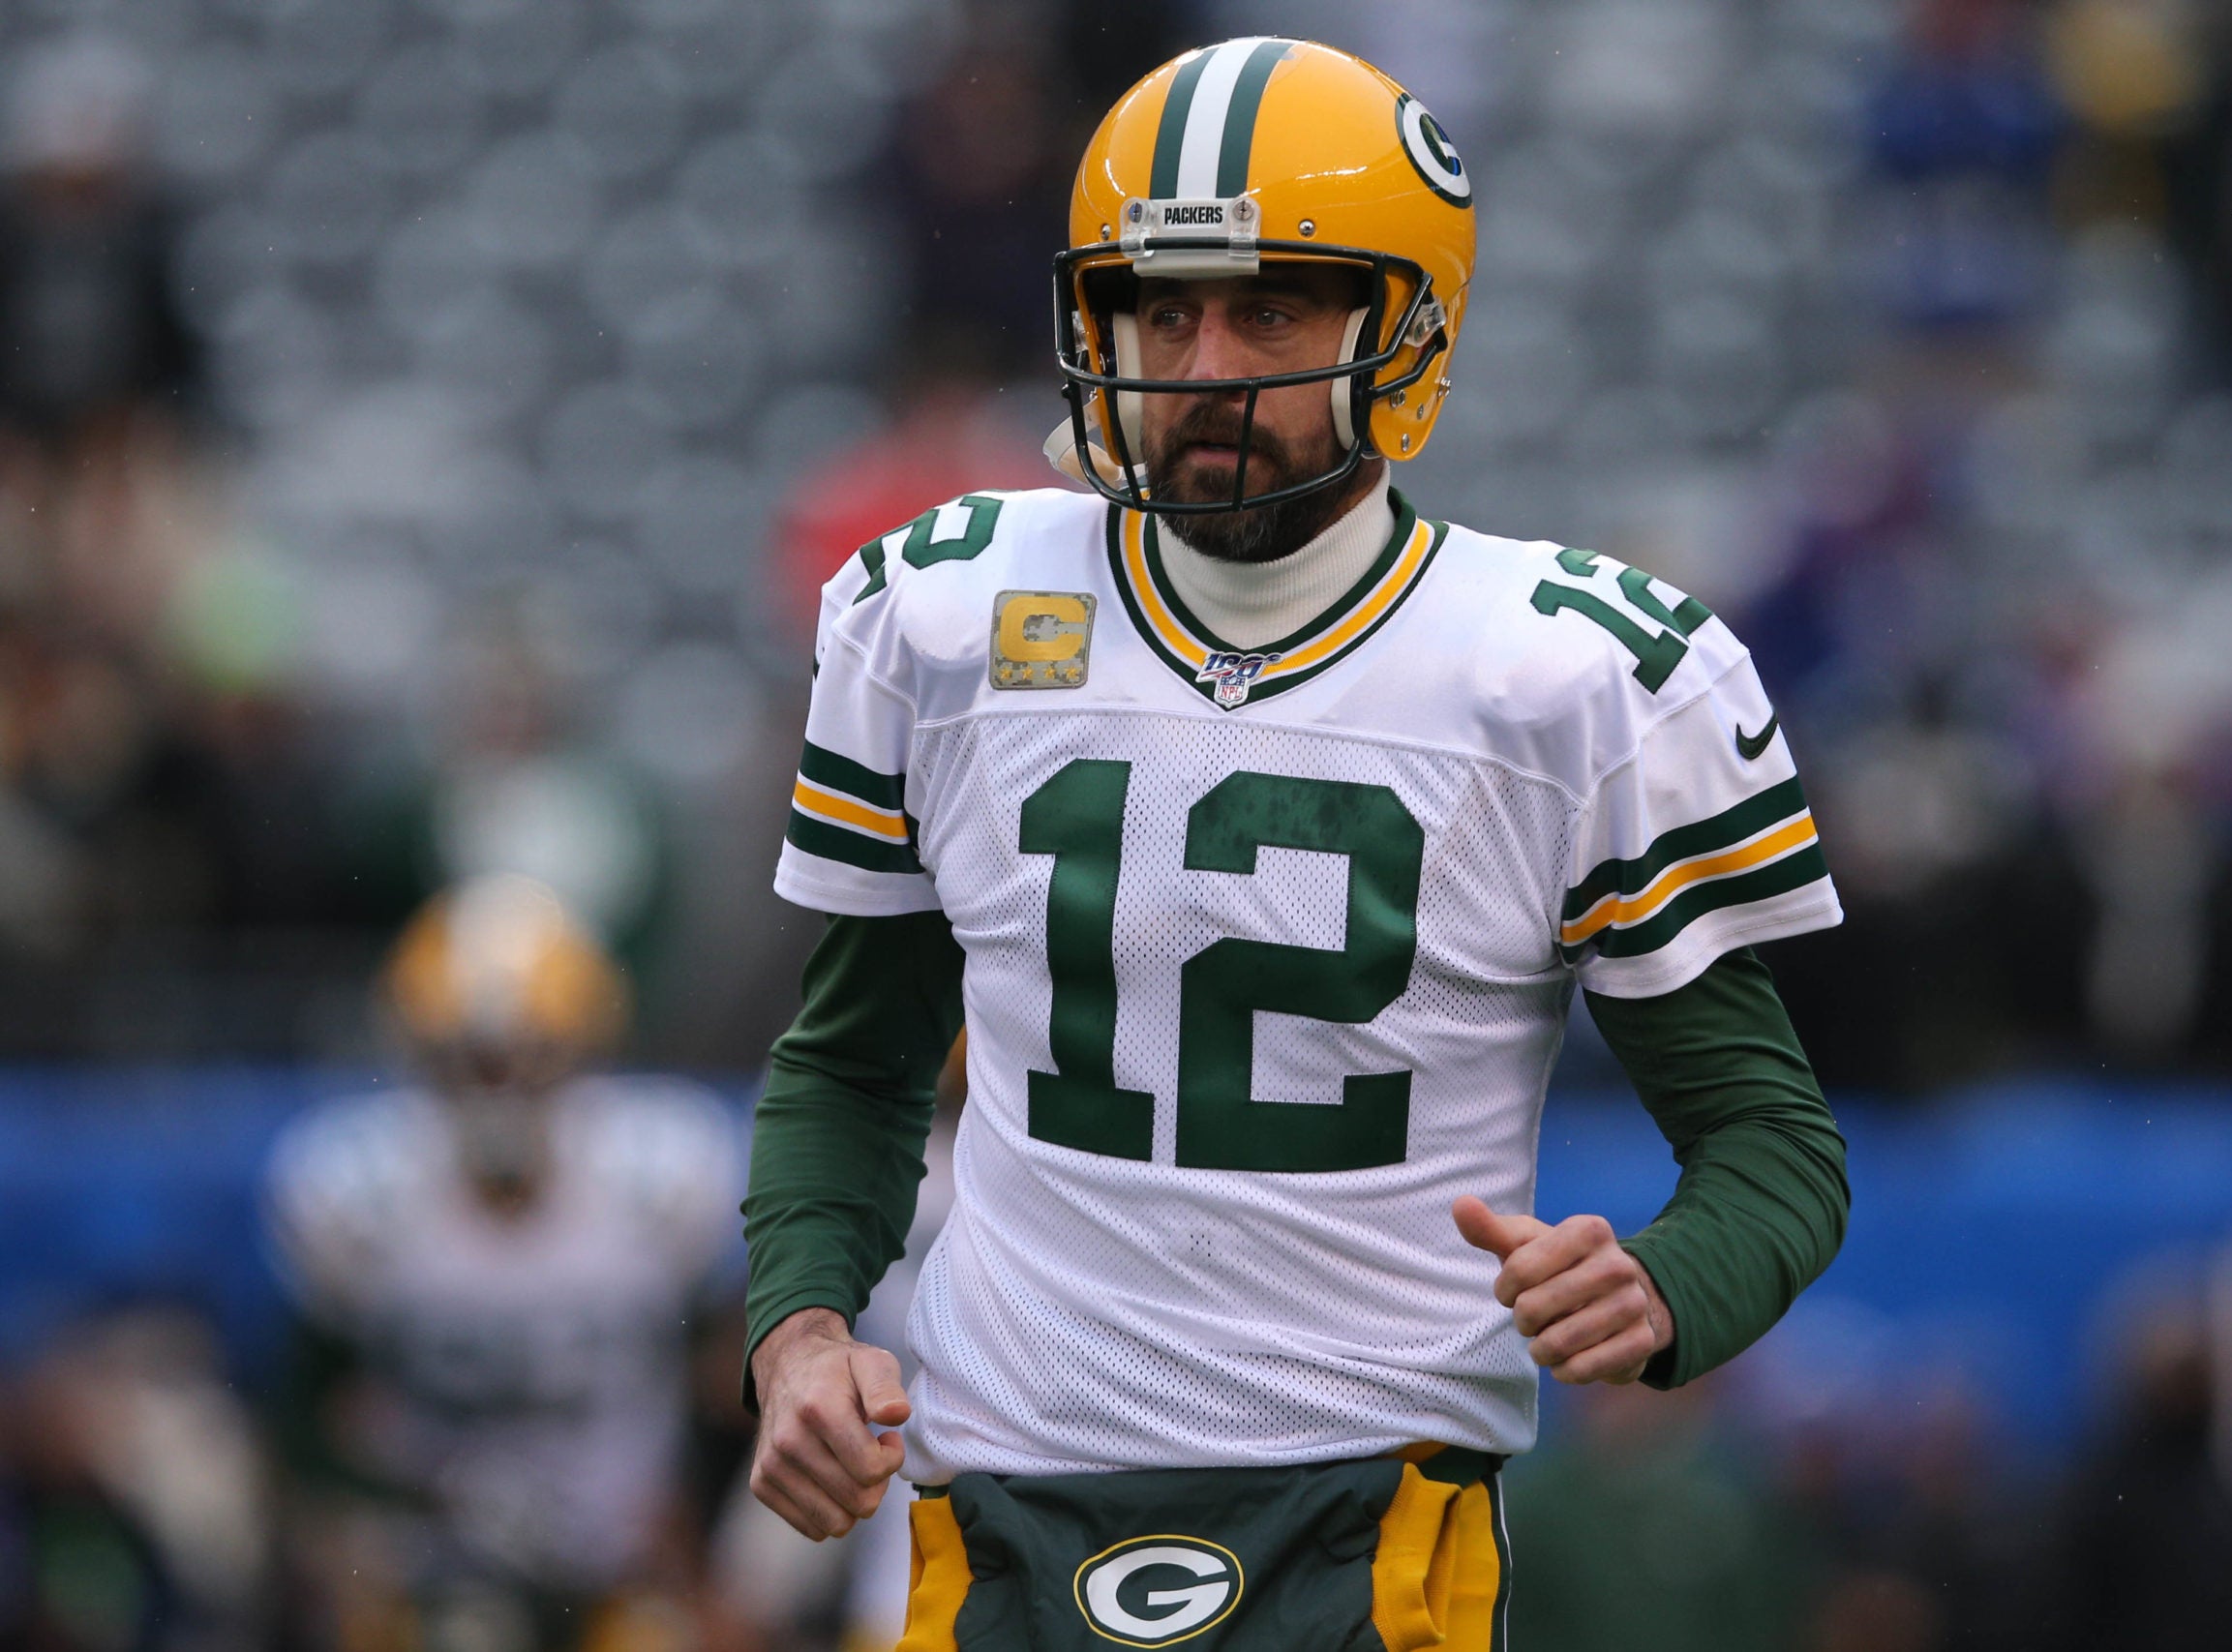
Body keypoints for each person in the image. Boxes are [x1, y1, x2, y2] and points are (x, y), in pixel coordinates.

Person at [741, 38, 1851, 1648]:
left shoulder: (1562, 676)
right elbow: (852, 1068)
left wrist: (1671, 1283)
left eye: (1269, 308)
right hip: (987, 1514)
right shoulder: (945, 615)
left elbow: (1773, 1147)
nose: (1199, 361)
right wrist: (799, 1329)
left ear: (1403, 329)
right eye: (1159, 307)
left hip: (1367, 1522)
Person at [262, 876, 742, 1652]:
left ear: (585, 1049)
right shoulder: (357, 1196)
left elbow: (721, 1386)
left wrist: (698, 1546)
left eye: (529, 1056)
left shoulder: (662, 1183)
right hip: (428, 1562)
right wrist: (401, 1509)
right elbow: (308, 1415)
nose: (500, 1089)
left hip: (628, 1561)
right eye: (470, 1061)